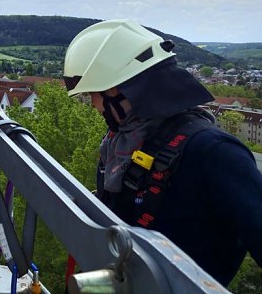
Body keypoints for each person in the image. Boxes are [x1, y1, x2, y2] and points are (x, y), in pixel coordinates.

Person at [63, 19, 262, 287]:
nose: (92, 106)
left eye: (93, 95)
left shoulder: (213, 152)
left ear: (117, 90)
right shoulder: (123, 142)